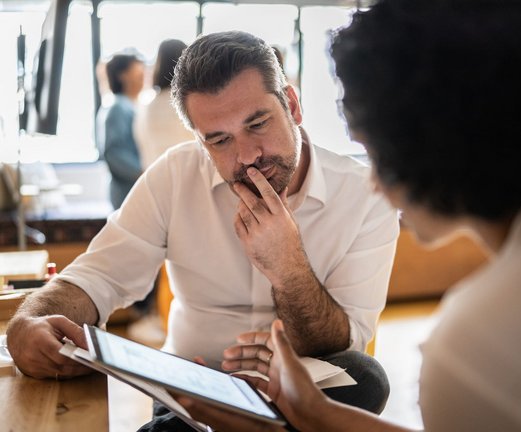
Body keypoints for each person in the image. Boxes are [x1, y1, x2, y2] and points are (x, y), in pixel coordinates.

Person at [172, 0, 521, 431]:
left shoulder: (478, 350)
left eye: (375, 152)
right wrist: (316, 413)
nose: (377, 184)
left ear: (436, 142)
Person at [5, 31, 399, 429]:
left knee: (366, 378)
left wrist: (288, 266)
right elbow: (96, 276)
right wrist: (28, 322)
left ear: (292, 106)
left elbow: (344, 344)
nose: (247, 157)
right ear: (200, 140)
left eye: (258, 123)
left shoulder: (366, 196)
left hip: (301, 387)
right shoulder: (175, 175)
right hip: (196, 385)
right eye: (220, 140)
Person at [134, 39, 194, 169]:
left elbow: (142, 145)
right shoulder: (189, 102)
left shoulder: (146, 105)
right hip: (188, 173)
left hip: (154, 175)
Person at [99, 53, 145, 210]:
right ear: (123, 76)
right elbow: (113, 153)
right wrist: (144, 172)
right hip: (127, 192)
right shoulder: (118, 108)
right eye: (138, 70)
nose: (143, 74)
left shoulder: (132, 106)